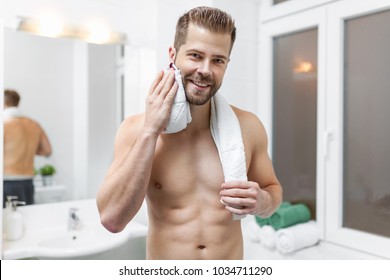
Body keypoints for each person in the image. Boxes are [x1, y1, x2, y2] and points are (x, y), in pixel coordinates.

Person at [97, 6, 282, 259]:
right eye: (195, 55)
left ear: (227, 64)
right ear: (173, 55)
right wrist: (151, 130)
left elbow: (273, 191)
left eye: (218, 60)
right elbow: (111, 220)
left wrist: (262, 201)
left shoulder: (248, 127)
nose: (206, 70)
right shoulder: (136, 130)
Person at [3, 89, 52, 207]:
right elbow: (47, 151)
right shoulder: (34, 124)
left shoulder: (4, 124)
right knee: (25, 221)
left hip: (7, 182)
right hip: (28, 183)